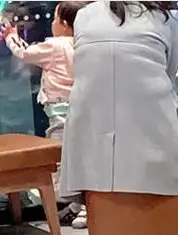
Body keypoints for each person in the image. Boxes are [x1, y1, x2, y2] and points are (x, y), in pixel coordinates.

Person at [60, 1, 178, 206]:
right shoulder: (164, 21)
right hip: (154, 138)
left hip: (87, 140)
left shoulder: (84, 16)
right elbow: (169, 74)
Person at [3, 1, 88, 228]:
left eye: (55, 18)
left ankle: (76, 204)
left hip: (59, 113)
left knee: (58, 157)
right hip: (80, 109)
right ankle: (77, 205)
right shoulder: (84, 44)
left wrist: (10, 37)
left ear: (64, 23)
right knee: (78, 158)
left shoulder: (55, 46)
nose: (51, 23)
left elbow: (25, 53)